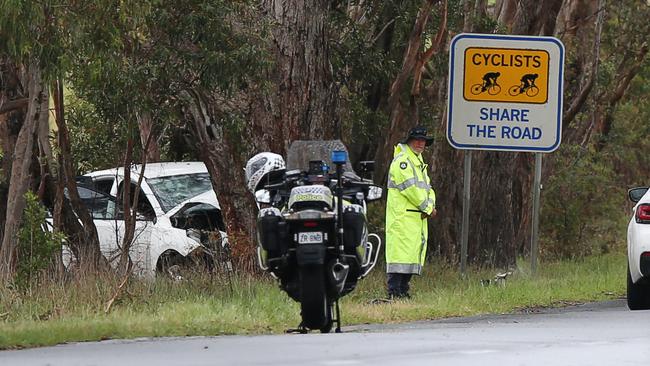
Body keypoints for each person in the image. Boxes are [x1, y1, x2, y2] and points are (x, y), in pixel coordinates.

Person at [385, 126, 437, 299]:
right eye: (417, 140)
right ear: (409, 141)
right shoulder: (403, 161)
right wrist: (428, 208)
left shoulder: (419, 162)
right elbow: (411, 189)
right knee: (400, 257)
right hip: (403, 217)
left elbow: (429, 189)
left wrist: (429, 206)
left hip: (415, 217)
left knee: (409, 256)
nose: (421, 143)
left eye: (423, 141)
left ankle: (403, 291)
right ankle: (394, 292)